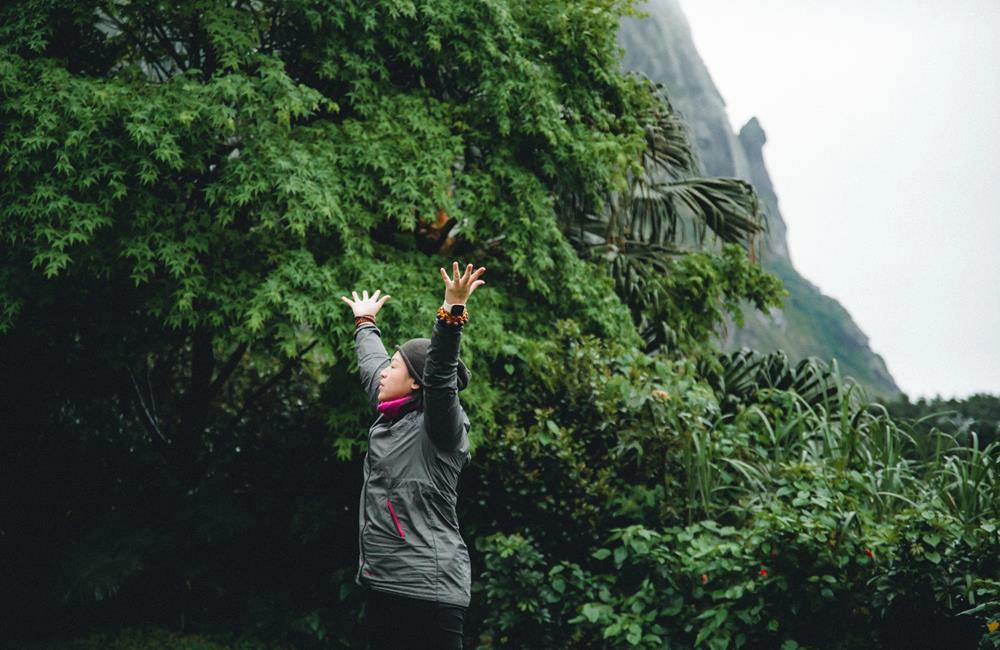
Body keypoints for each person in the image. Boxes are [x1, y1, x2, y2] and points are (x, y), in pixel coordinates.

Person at [340, 261, 487, 650]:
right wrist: (365, 323)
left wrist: (452, 311)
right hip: (383, 582)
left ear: (416, 382)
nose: (384, 374)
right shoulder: (394, 413)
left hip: (430, 593)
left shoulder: (440, 427)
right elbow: (372, 367)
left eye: (395, 366)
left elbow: (440, 373)